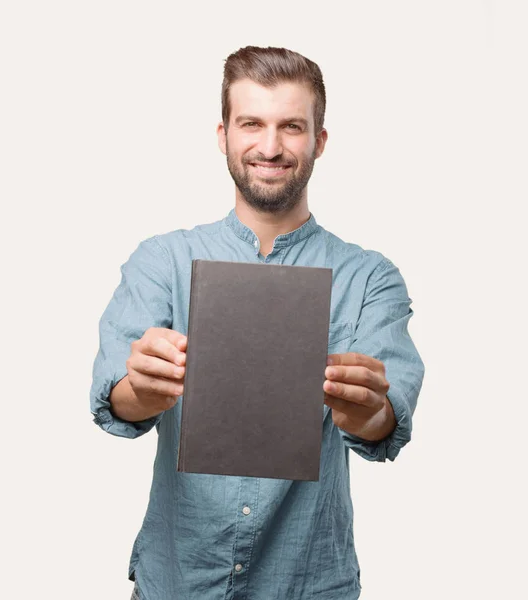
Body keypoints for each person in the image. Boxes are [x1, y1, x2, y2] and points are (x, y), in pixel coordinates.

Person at [90, 45, 425, 600]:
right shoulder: (162, 260)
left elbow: (385, 424)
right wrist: (143, 389)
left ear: (319, 141)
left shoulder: (370, 277)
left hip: (308, 584)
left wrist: (367, 412)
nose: (270, 147)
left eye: (291, 126)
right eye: (252, 124)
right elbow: (115, 402)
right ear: (223, 134)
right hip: (177, 581)